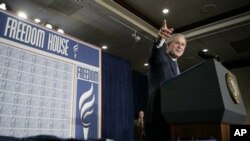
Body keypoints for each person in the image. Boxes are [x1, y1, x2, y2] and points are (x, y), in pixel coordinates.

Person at [145, 20, 187, 141]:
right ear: (167, 45)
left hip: (173, 120)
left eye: (183, 44)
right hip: (157, 119)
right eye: (177, 43)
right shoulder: (161, 59)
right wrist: (159, 40)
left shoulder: (176, 66)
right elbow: (154, 56)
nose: (180, 46)